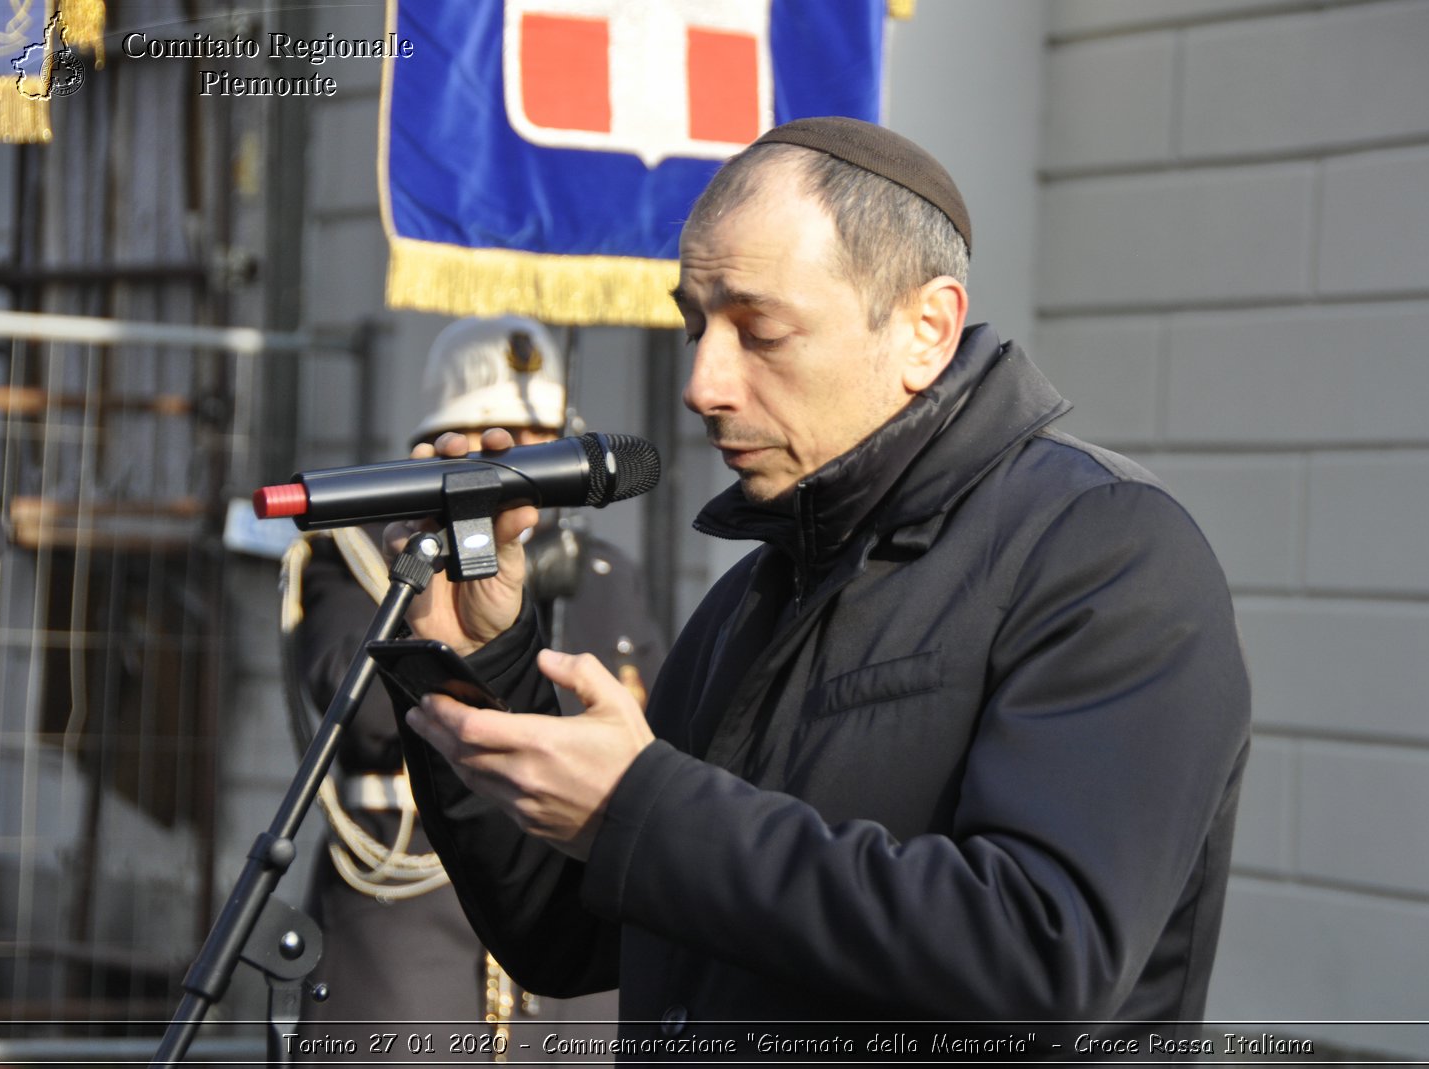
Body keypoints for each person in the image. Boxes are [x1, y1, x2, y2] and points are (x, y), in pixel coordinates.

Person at [391, 118, 1252, 1053]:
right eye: (694, 325)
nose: (703, 383)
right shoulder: (759, 587)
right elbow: (568, 932)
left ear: (926, 329)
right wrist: (479, 659)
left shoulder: (1104, 546)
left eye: (759, 330)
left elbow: (1043, 957)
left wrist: (646, 806)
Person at [287, 317, 665, 1060]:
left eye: (538, 435)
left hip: (566, 906)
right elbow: (361, 716)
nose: (523, 458)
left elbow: (646, 712)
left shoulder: (599, 568)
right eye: (496, 435)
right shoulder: (365, 550)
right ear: (445, 440)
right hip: (410, 899)